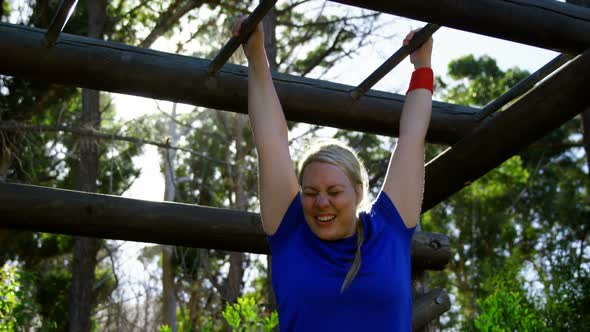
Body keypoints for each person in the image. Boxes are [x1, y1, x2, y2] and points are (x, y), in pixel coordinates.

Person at [233, 17, 433, 332]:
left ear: (358, 191)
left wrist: (422, 66)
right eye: (310, 193)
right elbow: (270, 141)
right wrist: (257, 55)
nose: (321, 202)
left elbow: (412, 137)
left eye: (334, 191)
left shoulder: (389, 230)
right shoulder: (290, 232)